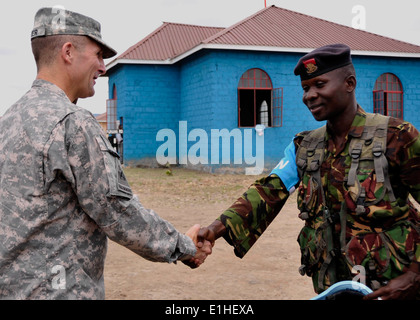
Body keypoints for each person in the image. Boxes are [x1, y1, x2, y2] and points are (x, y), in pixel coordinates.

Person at [0, 7, 211, 300]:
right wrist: (184, 247)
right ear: (68, 52)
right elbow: (118, 213)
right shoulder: (73, 123)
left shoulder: (8, 120)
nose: (102, 67)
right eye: (98, 55)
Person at [198, 44, 420, 300]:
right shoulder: (305, 147)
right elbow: (268, 191)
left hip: (393, 287)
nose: (309, 96)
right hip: (332, 288)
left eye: (320, 84)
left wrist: (415, 274)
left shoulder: (396, 137)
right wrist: (215, 229)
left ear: (349, 83)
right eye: (305, 88)